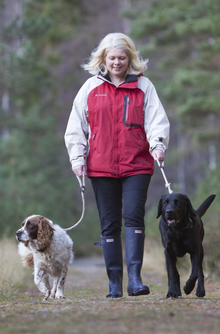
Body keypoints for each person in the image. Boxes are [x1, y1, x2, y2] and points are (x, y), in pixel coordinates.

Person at [64, 33, 170, 298]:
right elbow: (76, 126)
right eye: (112, 58)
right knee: (109, 224)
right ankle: (114, 284)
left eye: (122, 58)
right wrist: (78, 159)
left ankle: (135, 279)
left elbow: (157, 119)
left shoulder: (144, 86)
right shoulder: (90, 88)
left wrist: (158, 144)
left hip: (137, 164)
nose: (117, 62)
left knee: (134, 217)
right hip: (100, 166)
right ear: (103, 58)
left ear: (130, 58)